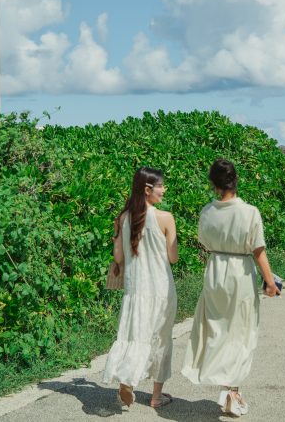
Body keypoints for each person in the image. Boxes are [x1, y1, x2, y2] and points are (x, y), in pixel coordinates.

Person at [181, 158, 279, 416]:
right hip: (240, 273)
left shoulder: (207, 211)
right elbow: (259, 252)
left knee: (217, 329)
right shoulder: (250, 212)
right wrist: (269, 281)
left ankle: (229, 387)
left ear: (213, 184)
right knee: (241, 333)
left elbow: (204, 241)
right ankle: (232, 390)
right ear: (236, 180)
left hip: (215, 270)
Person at [102, 167, 179, 409]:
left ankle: (128, 381)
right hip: (161, 289)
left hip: (135, 290)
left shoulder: (123, 218)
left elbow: (118, 257)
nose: (163, 190)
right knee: (161, 339)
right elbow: (173, 257)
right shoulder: (165, 217)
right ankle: (156, 397)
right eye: (160, 186)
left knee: (133, 335)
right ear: (148, 189)